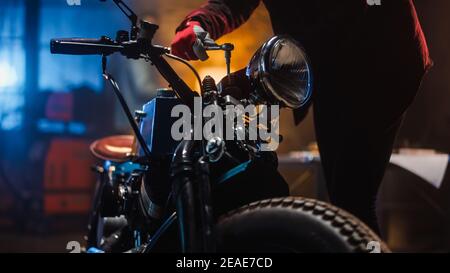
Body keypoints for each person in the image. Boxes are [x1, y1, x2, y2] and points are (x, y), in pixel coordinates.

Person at [170, 0, 431, 234]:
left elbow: (341, 22)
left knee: (353, 199)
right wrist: (199, 23)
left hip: (380, 61)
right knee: (346, 199)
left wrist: (258, 74)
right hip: (336, 70)